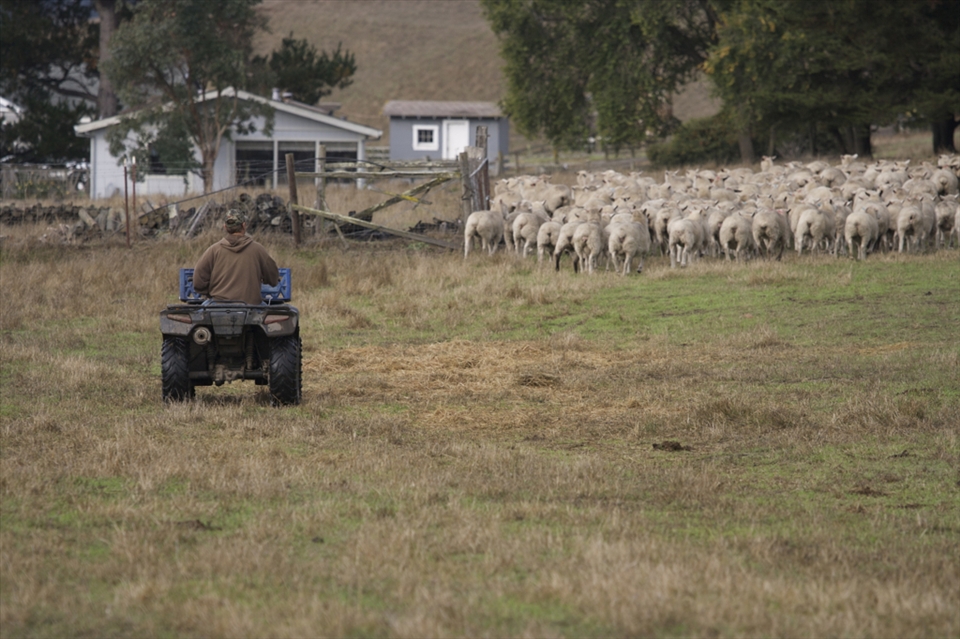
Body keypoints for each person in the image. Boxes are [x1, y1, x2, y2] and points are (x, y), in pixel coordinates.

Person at [193, 211, 279, 305]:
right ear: (244, 225)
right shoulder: (258, 250)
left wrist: (210, 293)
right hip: (251, 307)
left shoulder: (213, 250)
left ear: (225, 227)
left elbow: (198, 282)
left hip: (218, 306)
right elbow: (273, 278)